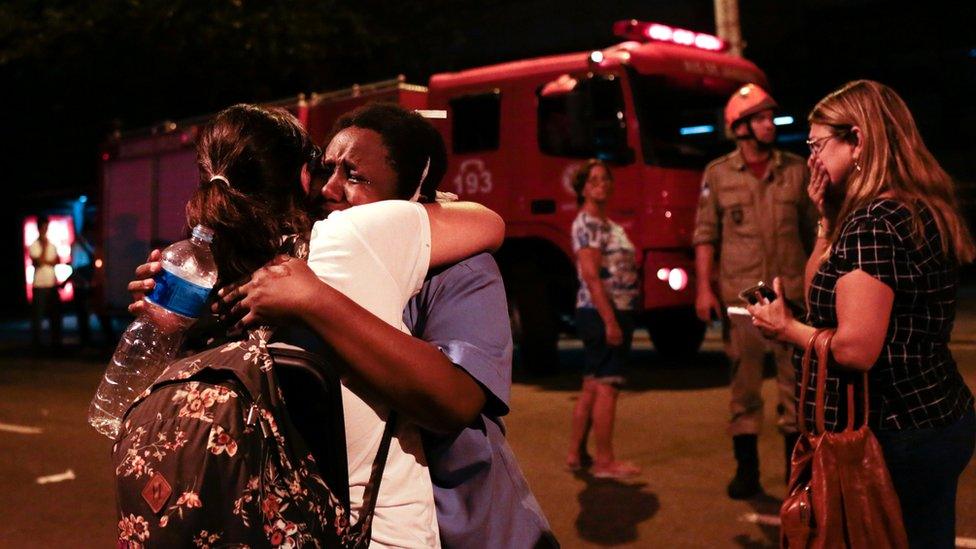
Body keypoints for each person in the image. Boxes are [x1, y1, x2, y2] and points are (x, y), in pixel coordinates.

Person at [131, 103, 556, 548]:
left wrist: (316, 303)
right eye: (324, 169)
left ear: (413, 194)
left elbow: (456, 403)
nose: (330, 189)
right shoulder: (293, 258)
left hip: (464, 520)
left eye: (355, 177)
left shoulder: (461, 270)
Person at [748, 80, 976, 548]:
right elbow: (819, 295)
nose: (811, 157)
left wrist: (786, 329)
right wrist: (827, 221)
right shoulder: (918, 206)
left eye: (818, 144)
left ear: (858, 140)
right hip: (941, 414)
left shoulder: (874, 222)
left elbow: (855, 349)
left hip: (896, 431)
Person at [693, 83, 817, 499]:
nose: (770, 124)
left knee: (794, 389)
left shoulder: (796, 170)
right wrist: (703, 289)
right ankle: (746, 471)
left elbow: (813, 232)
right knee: (744, 387)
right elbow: (706, 235)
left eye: (770, 117)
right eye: (761, 118)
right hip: (742, 299)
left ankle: (795, 475)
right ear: (740, 126)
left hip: (791, 297)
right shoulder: (718, 174)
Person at [564, 159, 641, 480]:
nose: (601, 183)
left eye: (606, 178)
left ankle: (576, 453)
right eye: (593, 179)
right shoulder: (589, 225)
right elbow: (592, 276)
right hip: (603, 311)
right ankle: (604, 460)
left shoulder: (604, 224)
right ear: (582, 188)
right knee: (608, 386)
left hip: (605, 310)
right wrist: (611, 321)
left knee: (593, 384)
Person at [29, 215, 62, 349]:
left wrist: (47, 261)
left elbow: (57, 261)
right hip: (39, 285)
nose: (45, 230)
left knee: (55, 315)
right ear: (39, 228)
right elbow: (39, 260)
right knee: (38, 315)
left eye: (46, 227)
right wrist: (44, 247)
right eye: (43, 227)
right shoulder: (34, 244)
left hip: (51, 284)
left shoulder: (52, 244)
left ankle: (55, 342)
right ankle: (37, 343)